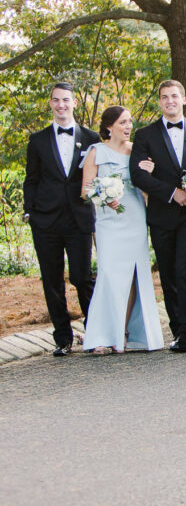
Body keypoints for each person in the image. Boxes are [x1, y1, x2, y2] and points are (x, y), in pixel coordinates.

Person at [129, 80, 186, 353]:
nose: (169, 101)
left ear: (183, 99)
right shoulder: (145, 135)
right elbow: (137, 174)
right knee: (169, 273)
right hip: (162, 213)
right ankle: (176, 329)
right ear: (160, 102)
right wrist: (172, 192)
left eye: (174, 96)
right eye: (164, 97)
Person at [23, 83, 100, 356]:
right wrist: (29, 211)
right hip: (45, 221)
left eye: (65, 100)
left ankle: (94, 332)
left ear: (75, 103)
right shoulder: (38, 140)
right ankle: (62, 338)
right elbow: (31, 179)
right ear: (50, 104)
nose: (61, 105)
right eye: (56, 100)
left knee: (82, 277)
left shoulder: (92, 138)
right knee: (52, 280)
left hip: (78, 218)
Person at [79, 106, 164, 354]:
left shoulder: (136, 151)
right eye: (122, 123)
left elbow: (147, 186)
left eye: (129, 122)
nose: (128, 127)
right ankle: (102, 336)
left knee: (133, 276)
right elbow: (85, 190)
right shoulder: (96, 152)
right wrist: (103, 197)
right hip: (108, 222)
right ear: (109, 127)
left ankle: (124, 333)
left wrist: (150, 173)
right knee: (108, 274)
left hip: (135, 217)